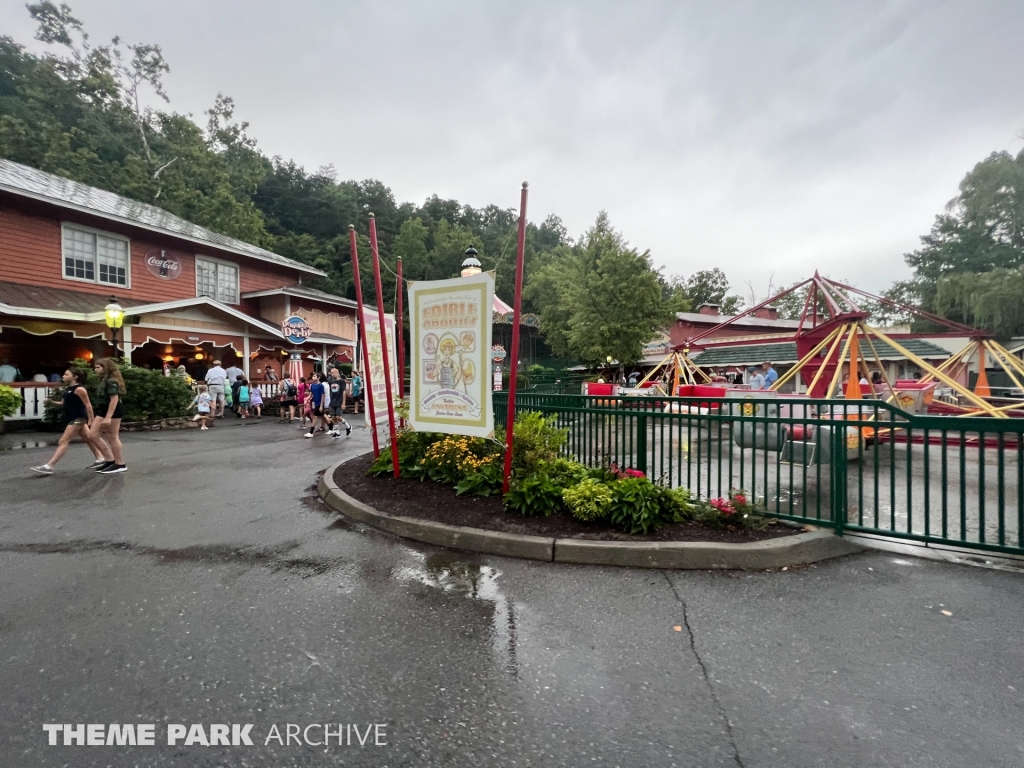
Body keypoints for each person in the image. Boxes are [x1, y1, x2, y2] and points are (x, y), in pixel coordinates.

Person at [31, 367, 98, 475]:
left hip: (79, 418)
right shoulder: (67, 390)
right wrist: (51, 402)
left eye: (67, 375)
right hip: (71, 417)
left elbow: (88, 405)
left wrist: (91, 419)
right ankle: (100, 458)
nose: (63, 376)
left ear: (75, 377)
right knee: (87, 438)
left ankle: (49, 466)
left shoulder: (80, 389)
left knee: (63, 441)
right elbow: (62, 403)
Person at [89, 357, 128, 474]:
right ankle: (110, 460)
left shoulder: (111, 381)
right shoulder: (103, 380)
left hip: (113, 410)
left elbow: (114, 399)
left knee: (112, 436)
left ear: (105, 368)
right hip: (103, 409)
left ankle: (120, 463)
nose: (95, 369)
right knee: (92, 435)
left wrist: (108, 417)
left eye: (98, 367)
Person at [325, 367, 352, 438]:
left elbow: (344, 392)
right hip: (332, 401)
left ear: (337, 373)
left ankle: (348, 427)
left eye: (334, 372)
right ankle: (337, 433)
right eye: (331, 373)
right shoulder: (331, 381)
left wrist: (343, 402)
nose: (332, 374)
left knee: (338, 417)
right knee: (333, 418)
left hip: (339, 401)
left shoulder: (341, 381)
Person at [304, 373, 328, 438]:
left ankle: (311, 432)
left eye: (314, 376)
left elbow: (323, 395)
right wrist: (307, 400)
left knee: (315, 417)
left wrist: (321, 405)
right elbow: (311, 394)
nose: (312, 377)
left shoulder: (321, 386)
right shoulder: (312, 385)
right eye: (313, 376)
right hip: (315, 402)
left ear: (318, 378)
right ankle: (331, 427)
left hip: (319, 403)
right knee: (323, 416)